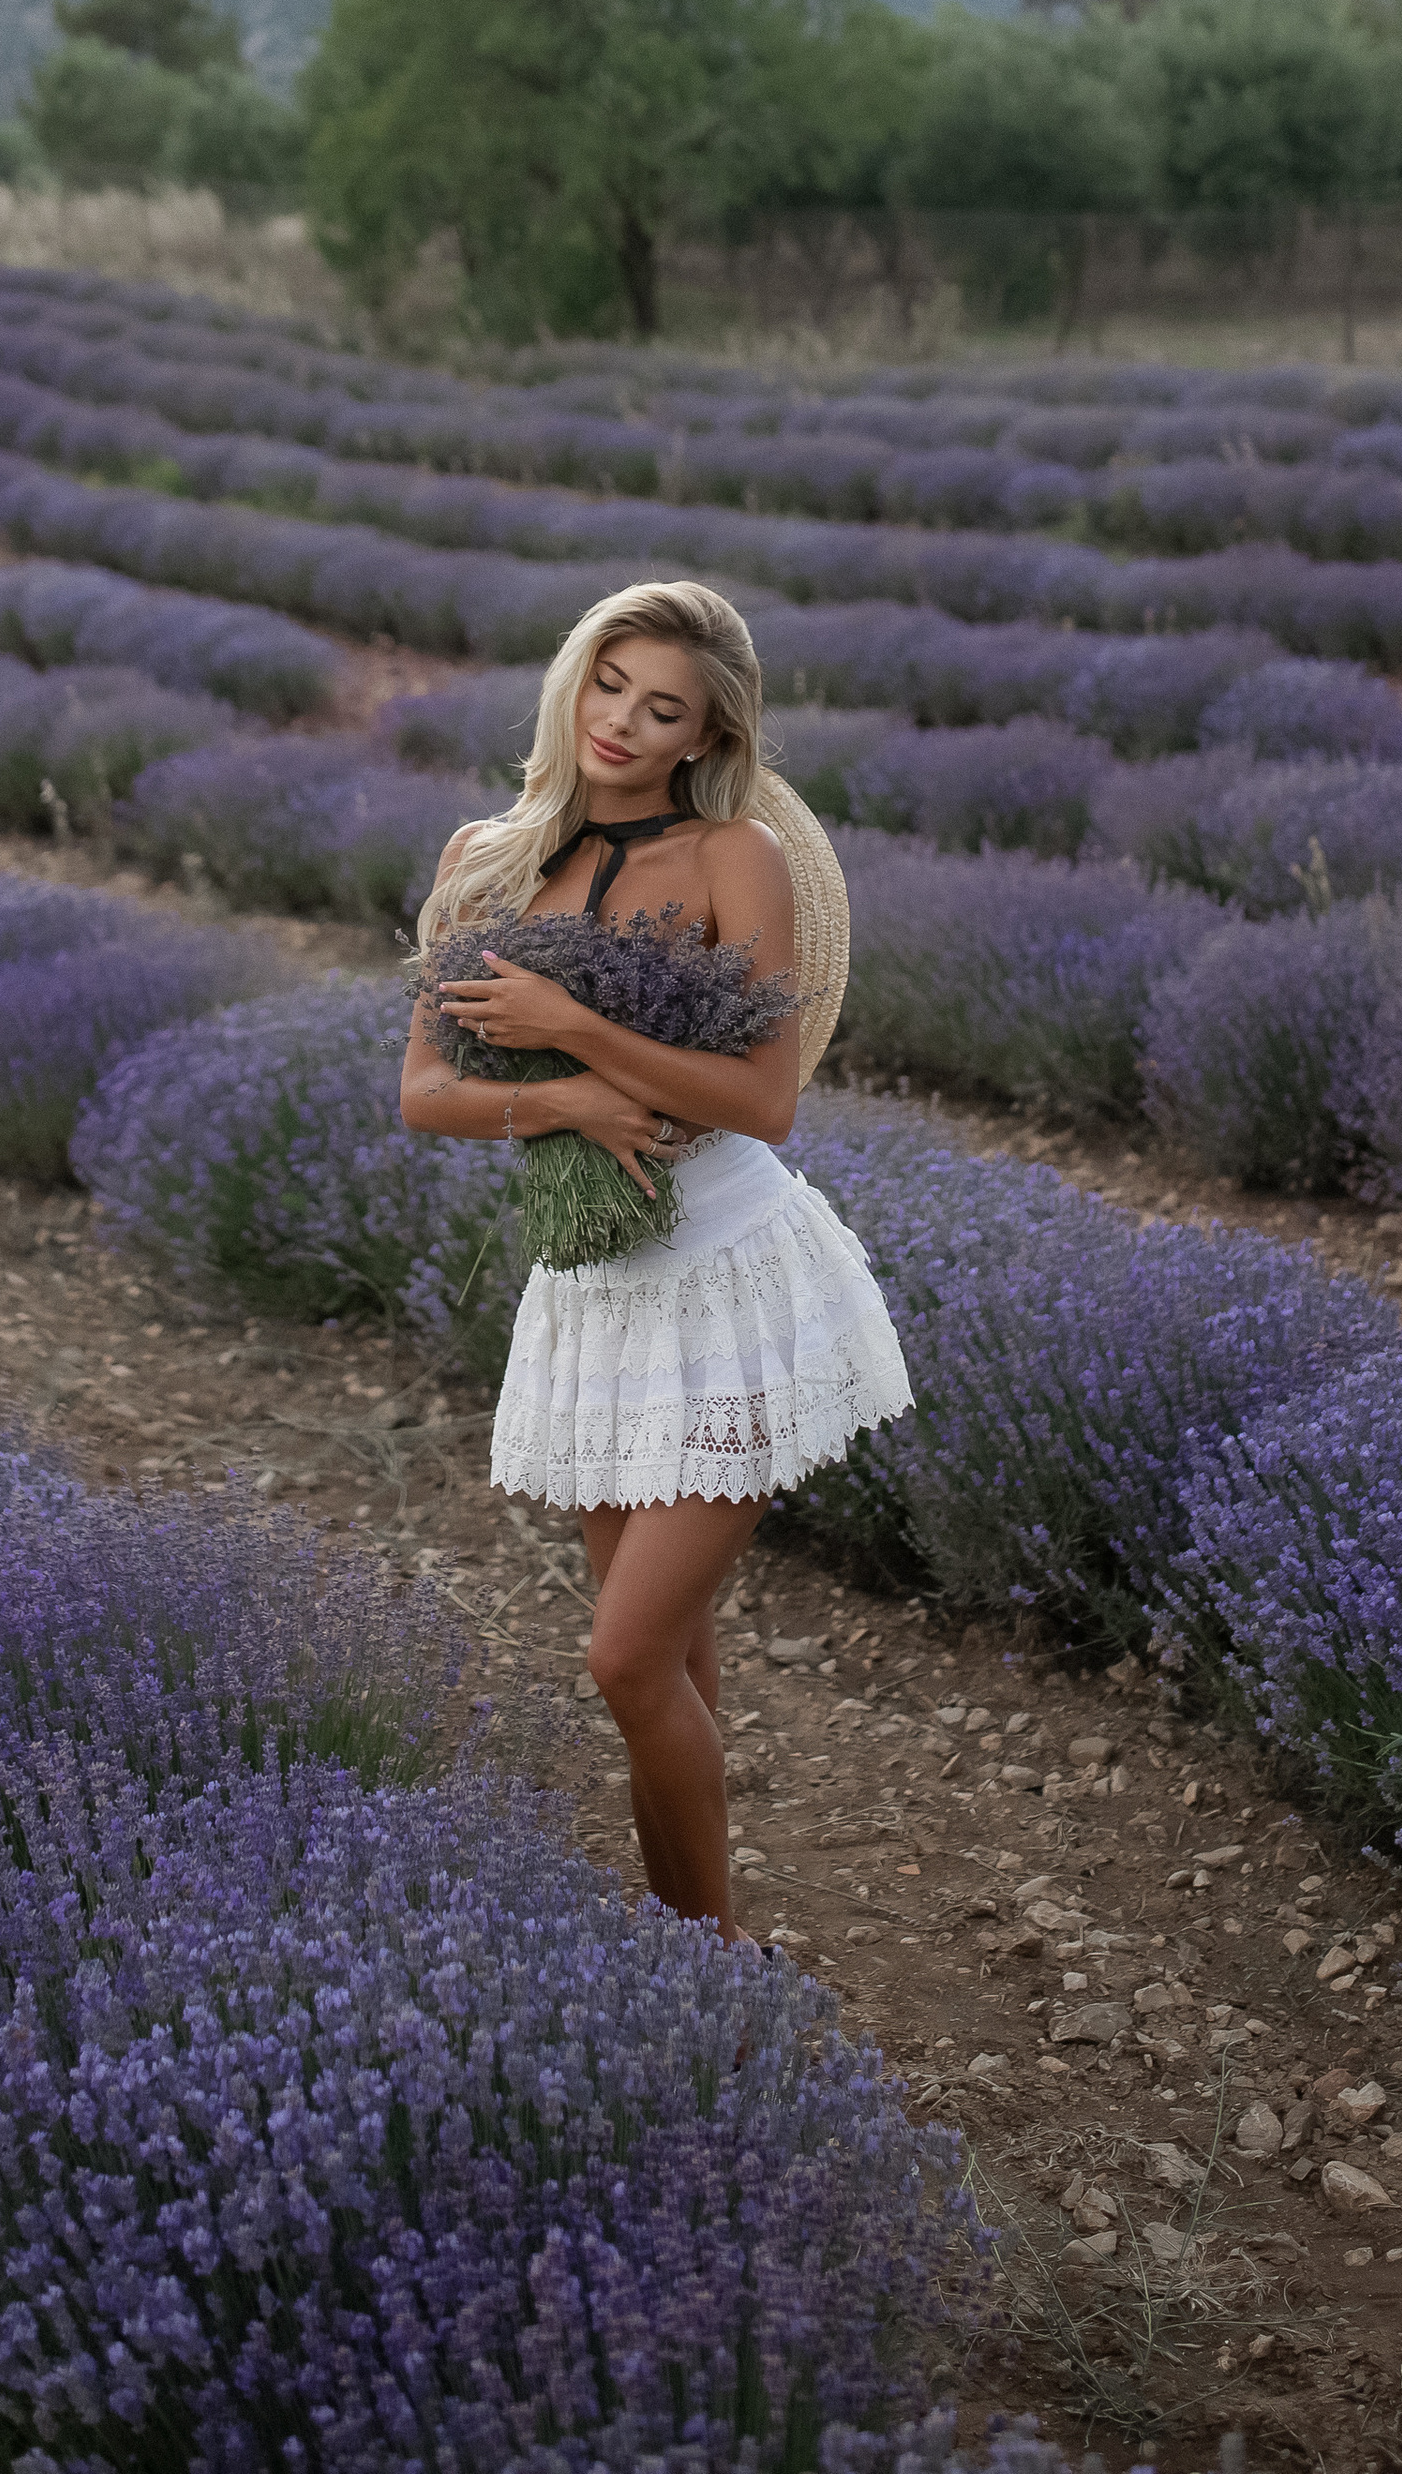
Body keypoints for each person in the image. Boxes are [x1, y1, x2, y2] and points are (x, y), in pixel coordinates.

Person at [401, 576, 910, 1939]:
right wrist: (562, 1100)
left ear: (703, 735)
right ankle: (692, 1939)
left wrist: (570, 1023)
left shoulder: (732, 858)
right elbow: (425, 1094)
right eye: (609, 683)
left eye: (663, 706)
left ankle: (711, 1958)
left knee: (623, 1658)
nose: (624, 719)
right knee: (669, 1652)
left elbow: (763, 1098)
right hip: (593, 1289)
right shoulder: (485, 859)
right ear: (575, 681)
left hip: (733, 1273)